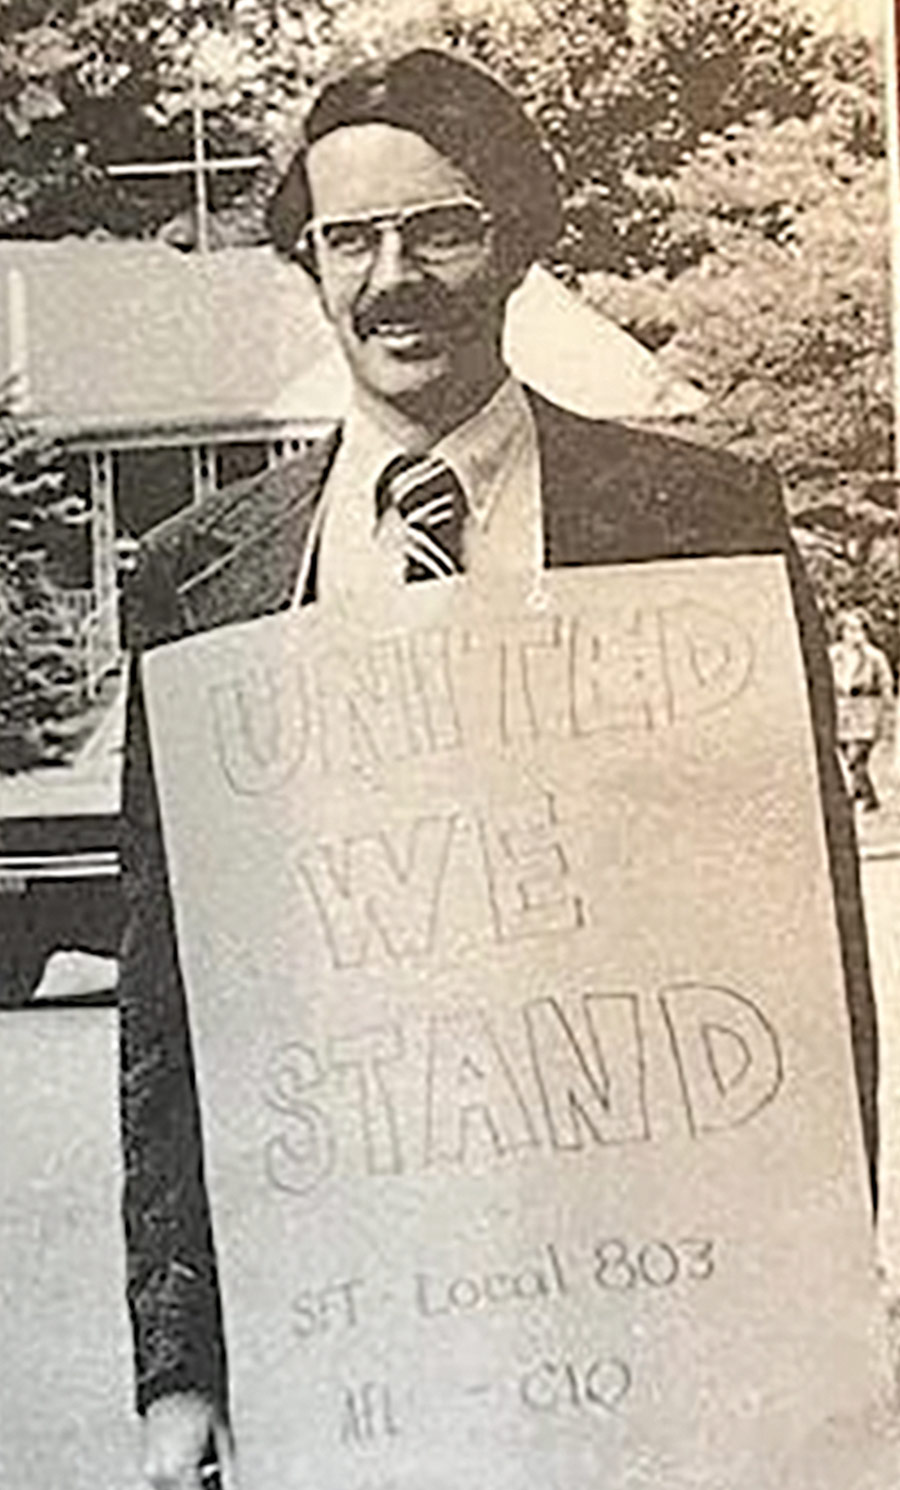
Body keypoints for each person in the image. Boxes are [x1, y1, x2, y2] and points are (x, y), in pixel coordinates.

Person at [119, 47, 879, 1490]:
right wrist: (180, 1364)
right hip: (349, 1317)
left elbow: (804, 945)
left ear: (516, 240)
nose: (392, 275)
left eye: (441, 227)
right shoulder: (199, 583)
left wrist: (829, 1281)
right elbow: (168, 1008)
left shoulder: (696, 522)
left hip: (658, 1302)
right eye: (349, 238)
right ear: (309, 261)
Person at [829, 607, 894, 812]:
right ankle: (864, 795)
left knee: (856, 756)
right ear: (841, 632)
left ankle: (859, 795)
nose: (854, 635)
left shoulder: (875, 657)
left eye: (858, 630)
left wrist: (888, 715)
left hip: (866, 712)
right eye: (849, 630)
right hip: (841, 712)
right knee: (848, 757)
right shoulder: (833, 655)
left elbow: (886, 686)